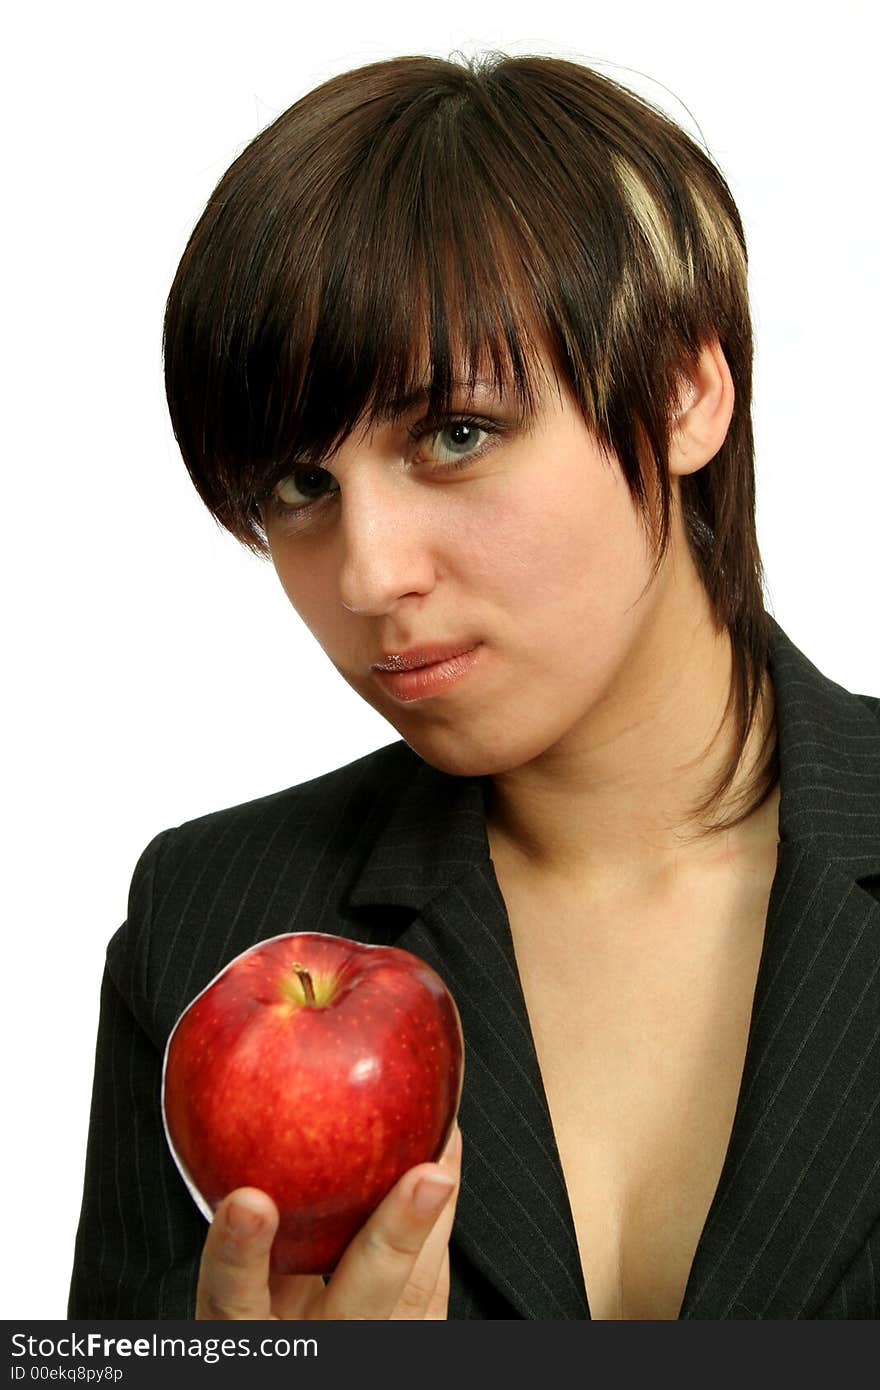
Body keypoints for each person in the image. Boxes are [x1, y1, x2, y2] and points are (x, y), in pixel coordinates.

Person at [68, 51, 880, 1321]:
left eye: (453, 435)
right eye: (299, 486)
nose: (371, 573)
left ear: (685, 391)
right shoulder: (211, 924)